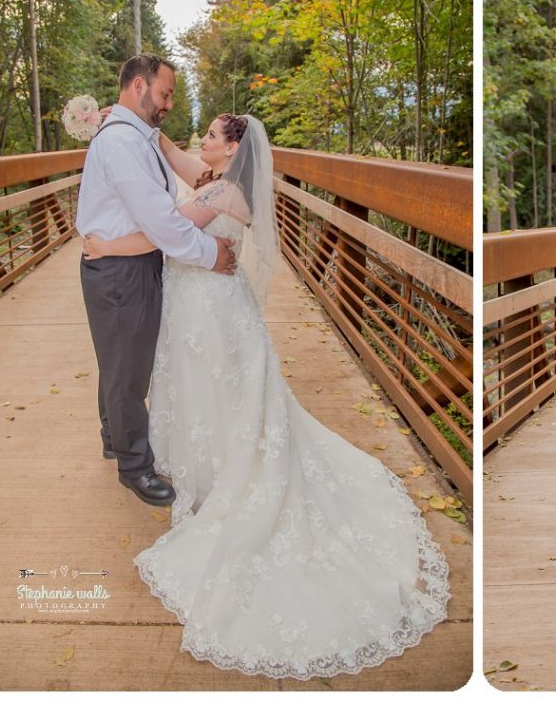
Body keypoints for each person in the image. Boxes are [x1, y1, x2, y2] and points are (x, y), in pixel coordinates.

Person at [81, 113, 450, 679]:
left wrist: (104, 242)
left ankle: (228, 473)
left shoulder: (224, 191)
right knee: (214, 396)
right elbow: (178, 161)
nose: (198, 142)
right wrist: (135, 122)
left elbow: (166, 236)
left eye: (208, 136)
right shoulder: (217, 178)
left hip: (210, 313)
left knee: (222, 396)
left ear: (232, 149)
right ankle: (210, 462)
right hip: (203, 307)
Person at [76, 53, 236, 507]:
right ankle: (135, 466)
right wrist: (210, 255)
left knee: (117, 356)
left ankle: (114, 436)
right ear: (140, 87)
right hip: (122, 273)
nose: (168, 103)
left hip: (116, 265)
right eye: (164, 93)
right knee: (128, 368)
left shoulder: (132, 136)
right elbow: (164, 224)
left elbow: (188, 184)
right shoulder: (123, 142)